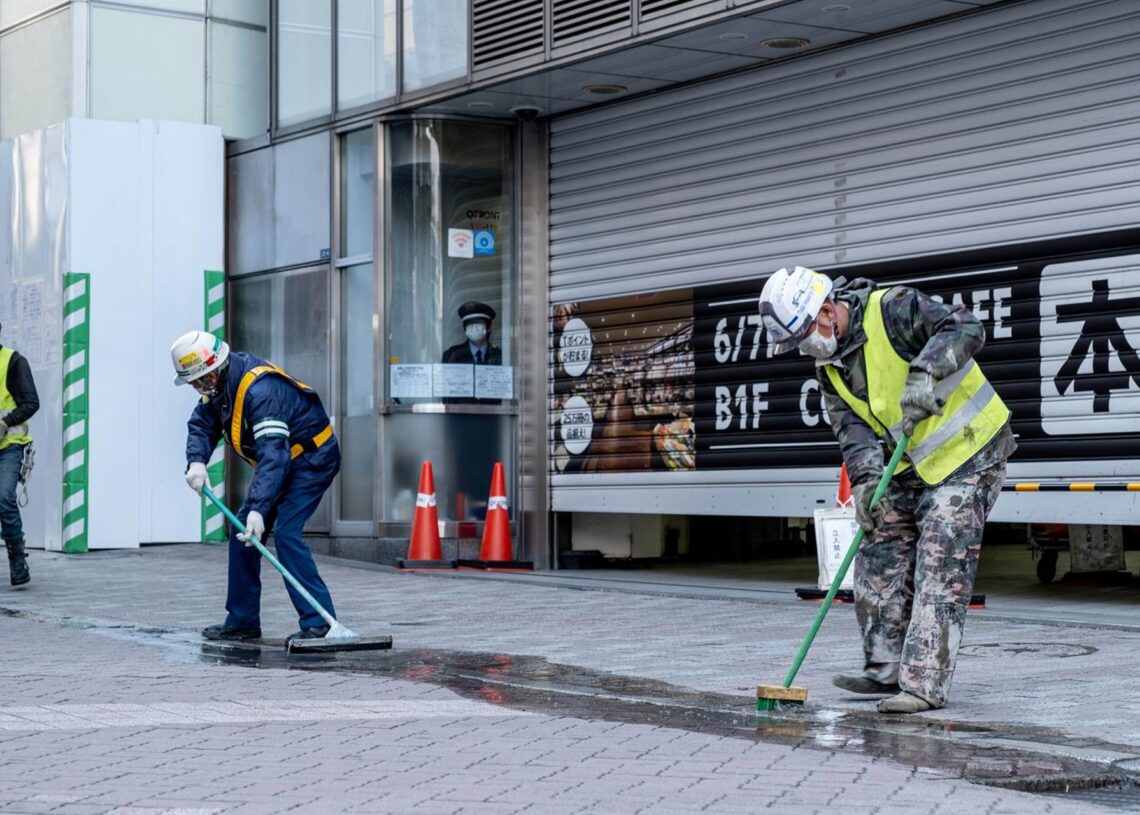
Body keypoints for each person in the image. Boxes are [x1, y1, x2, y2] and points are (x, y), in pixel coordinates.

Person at [759, 266, 1014, 714]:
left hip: (972, 449)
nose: (804, 347)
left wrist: (926, 371)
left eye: (803, 334)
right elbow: (852, 431)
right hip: (913, 461)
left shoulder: (892, 309)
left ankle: (923, 685)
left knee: (940, 557)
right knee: (878, 543)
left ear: (824, 310)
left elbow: (966, 326)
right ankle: (884, 667)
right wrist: (865, 484)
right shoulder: (829, 367)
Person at [171, 330, 340, 643]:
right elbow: (202, 425)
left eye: (202, 380)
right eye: (195, 383)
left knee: (286, 533)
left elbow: (274, 454)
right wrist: (196, 461)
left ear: (216, 367)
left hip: (312, 460)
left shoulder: (262, 390)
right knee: (242, 534)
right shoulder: (219, 387)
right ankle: (243, 620)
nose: (200, 388)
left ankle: (321, 623)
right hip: (279, 463)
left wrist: (260, 509)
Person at [0, 324, 37, 587]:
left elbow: (31, 402)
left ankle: (16, 558)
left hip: (10, 445)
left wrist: (5, 422)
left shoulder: (13, 362)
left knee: (4, 498)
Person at [441, 300, 502, 366]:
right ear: (465, 328)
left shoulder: (499, 355)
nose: (474, 327)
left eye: (479, 322)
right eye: (470, 323)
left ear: (489, 327)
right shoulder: (451, 355)